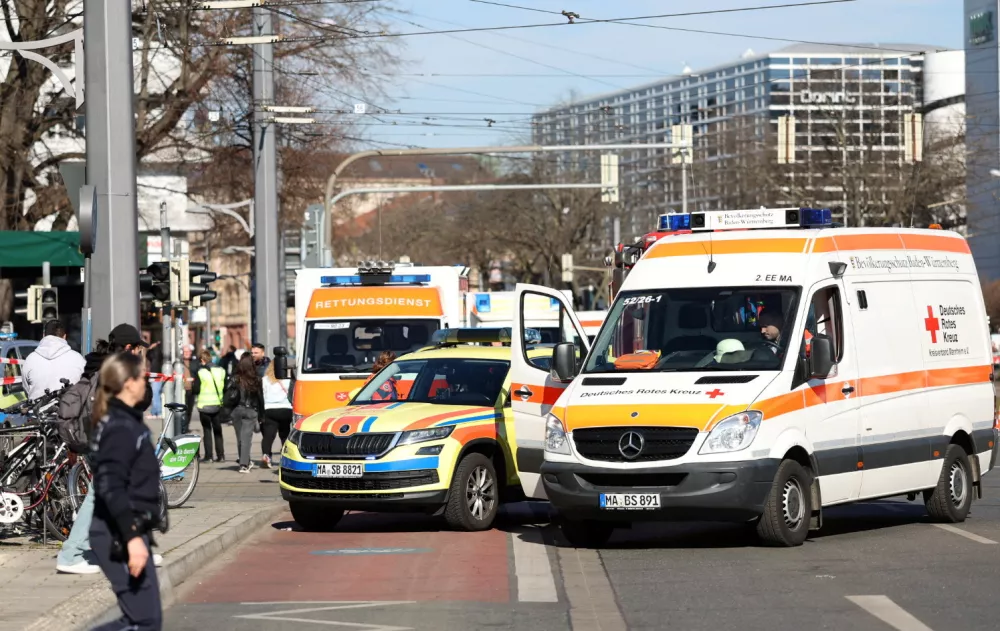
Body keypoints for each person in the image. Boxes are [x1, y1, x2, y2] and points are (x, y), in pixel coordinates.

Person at [57, 324, 160, 575]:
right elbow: (143, 399)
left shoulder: (98, 364)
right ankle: (70, 554)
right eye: (137, 348)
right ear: (127, 347)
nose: (138, 352)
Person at [89, 352, 163, 631]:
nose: (146, 381)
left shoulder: (123, 420)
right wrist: (132, 539)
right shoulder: (120, 426)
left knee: (144, 621)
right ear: (129, 383)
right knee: (143, 622)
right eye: (142, 376)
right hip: (118, 533)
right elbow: (110, 485)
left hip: (127, 529)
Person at [22, 319, 85, 401]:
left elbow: (27, 390)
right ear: (64, 336)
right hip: (70, 411)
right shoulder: (78, 360)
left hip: (35, 412)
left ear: (44, 335)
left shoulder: (30, 360)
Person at [227, 354, 263, 473]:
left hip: (237, 410)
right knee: (246, 438)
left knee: (240, 438)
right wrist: (262, 414)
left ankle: (244, 461)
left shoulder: (235, 377)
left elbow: (228, 392)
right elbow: (260, 398)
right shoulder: (256, 378)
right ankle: (244, 464)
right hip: (250, 410)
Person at [194, 350, 227, 463]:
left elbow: (196, 389)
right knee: (218, 431)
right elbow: (225, 387)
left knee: (207, 431)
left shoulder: (201, 372)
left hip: (204, 405)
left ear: (202, 360)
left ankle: (209, 456)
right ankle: (221, 455)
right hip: (217, 404)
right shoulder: (221, 371)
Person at [260, 361, 292, 469]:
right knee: (285, 435)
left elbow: (262, 395)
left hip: (269, 409)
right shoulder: (288, 380)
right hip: (286, 409)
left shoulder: (264, 380)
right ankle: (286, 459)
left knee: (268, 436)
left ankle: (266, 456)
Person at [146, 339, 163, 419]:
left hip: (156, 377)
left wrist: (150, 348)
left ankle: (157, 412)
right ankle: (155, 412)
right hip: (156, 376)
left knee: (155, 394)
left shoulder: (156, 353)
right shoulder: (159, 353)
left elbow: (148, 355)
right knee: (156, 394)